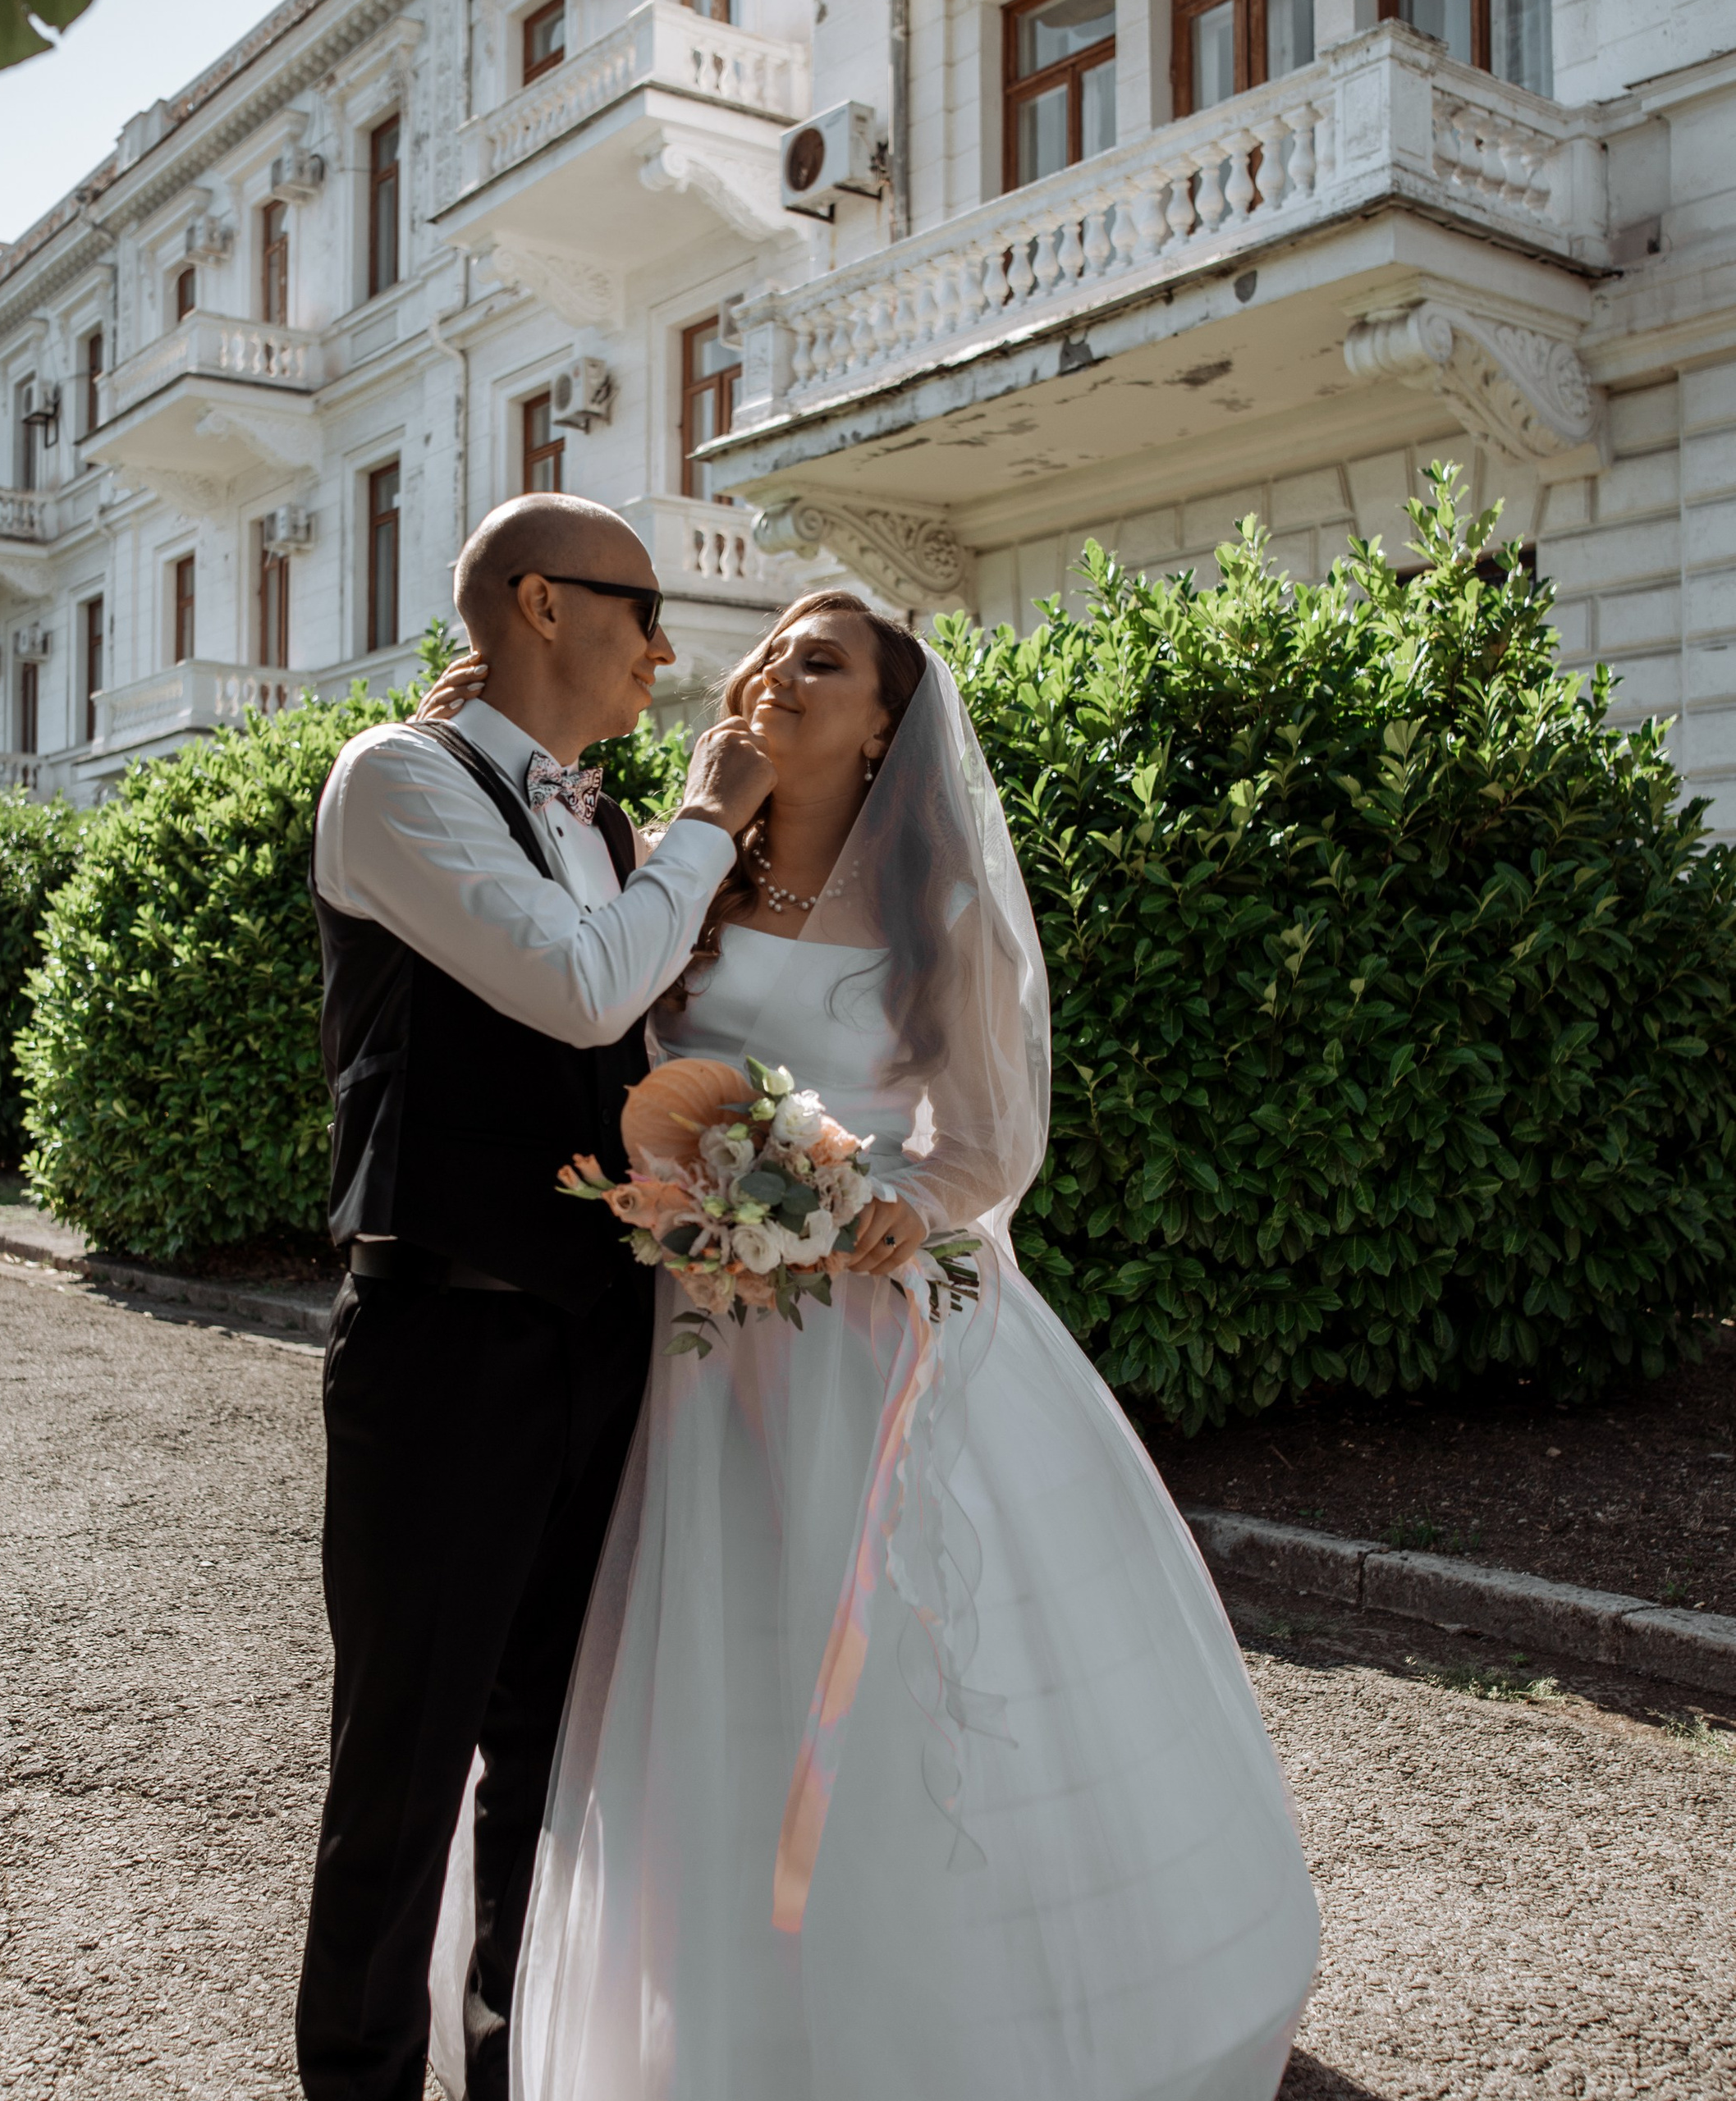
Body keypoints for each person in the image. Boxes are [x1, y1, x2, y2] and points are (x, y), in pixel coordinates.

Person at [416, 592, 1320, 2100]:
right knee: (690, 1667)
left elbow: (986, 1142)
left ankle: (936, 2015)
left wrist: (895, 1204)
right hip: (687, 1341)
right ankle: (705, 2024)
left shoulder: (934, 914)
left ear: (886, 723)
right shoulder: (677, 870)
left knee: (886, 1667)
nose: (777, 668)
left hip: (867, 1330)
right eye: (771, 649)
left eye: (820, 660)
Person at [295, 493, 776, 2101]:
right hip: (443, 1342)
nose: (663, 645)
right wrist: (707, 823)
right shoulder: (393, 780)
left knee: (554, 1763)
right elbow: (579, 984)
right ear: (540, 603)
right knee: (403, 1768)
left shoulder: (599, 823)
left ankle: (514, 2068)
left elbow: (628, 1032)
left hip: (600, 1334)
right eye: (639, 604)